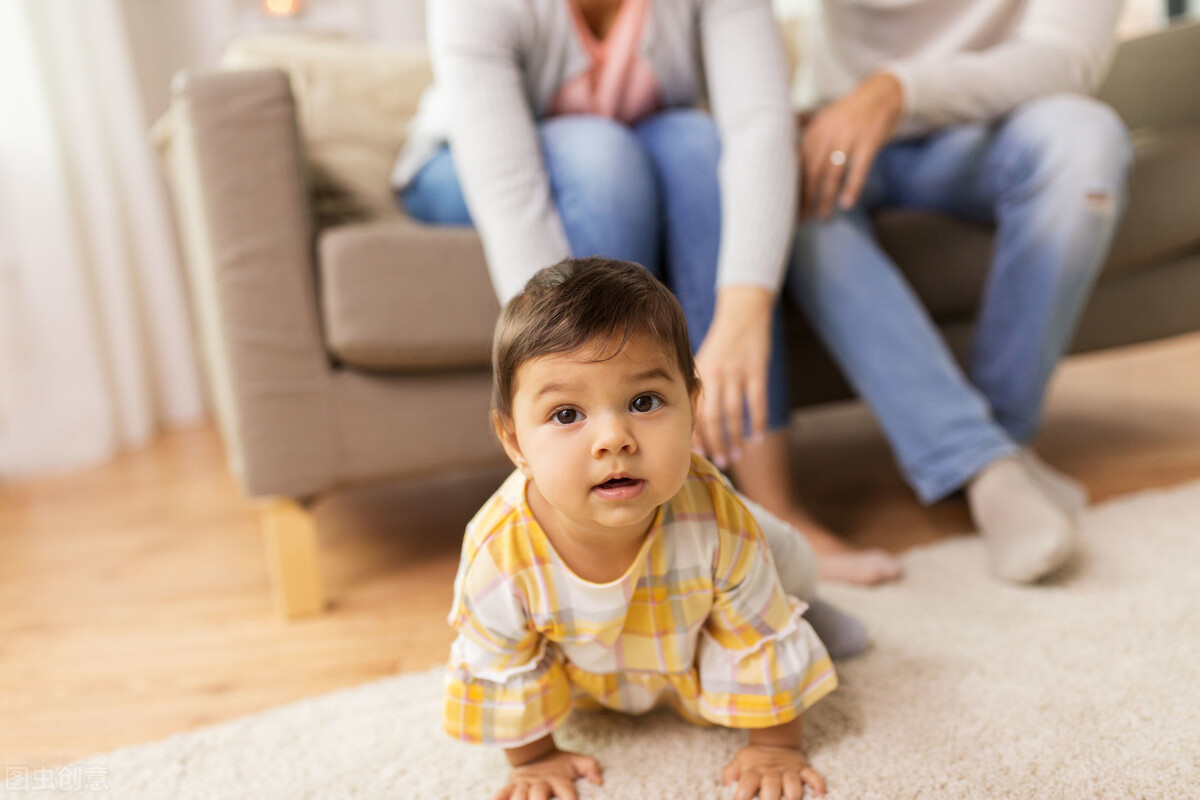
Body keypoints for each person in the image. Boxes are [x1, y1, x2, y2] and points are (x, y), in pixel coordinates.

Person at [394, 0, 902, 585]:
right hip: (468, 164)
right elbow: (509, 190)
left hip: (645, 151)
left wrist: (745, 310)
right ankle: (605, 537)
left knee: (697, 142)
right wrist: (554, 362)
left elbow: (760, 125)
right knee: (601, 156)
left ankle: (773, 513)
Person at [446, 258, 842, 800]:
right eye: (567, 414)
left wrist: (775, 748)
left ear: (692, 408)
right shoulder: (498, 553)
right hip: (599, 662)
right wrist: (535, 759)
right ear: (516, 442)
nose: (614, 439)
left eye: (644, 402)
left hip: (699, 625)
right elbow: (501, 663)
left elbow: (757, 638)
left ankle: (806, 610)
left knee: (787, 558)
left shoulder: (717, 519)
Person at [787, 0, 1132, 582]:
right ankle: (990, 466)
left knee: (1086, 140)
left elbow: (1066, 57)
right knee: (782, 186)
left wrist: (899, 90)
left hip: (992, 129)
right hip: (841, 129)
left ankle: (995, 445)